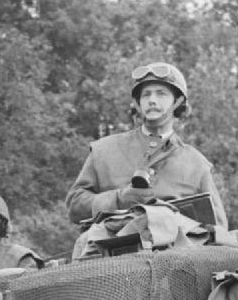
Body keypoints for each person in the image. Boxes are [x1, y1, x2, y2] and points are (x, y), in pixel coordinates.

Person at [65, 62, 228, 230]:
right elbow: (75, 205)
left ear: (178, 102)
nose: (152, 100)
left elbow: (219, 230)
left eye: (161, 94)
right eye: (146, 95)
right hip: (112, 251)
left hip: (177, 254)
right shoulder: (104, 151)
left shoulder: (196, 164)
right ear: (137, 103)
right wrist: (119, 200)